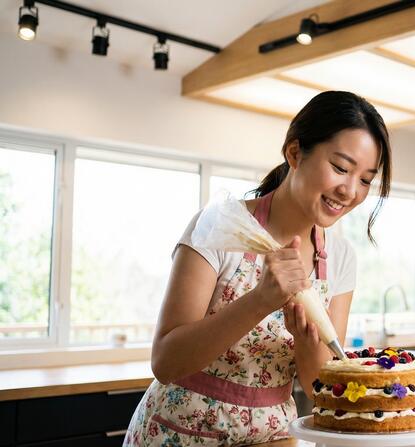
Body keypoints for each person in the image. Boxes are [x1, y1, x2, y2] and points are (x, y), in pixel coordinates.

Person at [124, 91, 392, 446]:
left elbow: (319, 388)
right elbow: (166, 361)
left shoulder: (340, 258)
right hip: (180, 432)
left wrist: (305, 340)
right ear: (294, 153)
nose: (349, 191)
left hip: (273, 437)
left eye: (365, 180)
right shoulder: (221, 227)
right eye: (341, 168)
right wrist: (261, 300)